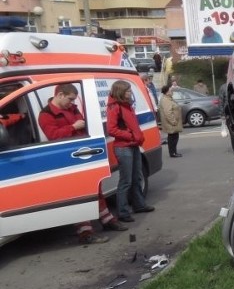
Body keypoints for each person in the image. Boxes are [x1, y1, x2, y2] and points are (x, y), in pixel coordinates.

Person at [38, 83, 126, 244]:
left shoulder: (72, 108)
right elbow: (53, 135)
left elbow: (83, 123)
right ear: (60, 95)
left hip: (84, 155)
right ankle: (85, 232)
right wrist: (72, 127)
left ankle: (107, 220)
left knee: (96, 192)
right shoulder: (46, 114)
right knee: (79, 195)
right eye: (70, 99)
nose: (72, 103)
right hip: (68, 159)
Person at [106, 80, 155, 222]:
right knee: (126, 181)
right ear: (120, 92)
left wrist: (137, 137)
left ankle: (139, 205)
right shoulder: (115, 107)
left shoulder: (126, 106)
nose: (130, 93)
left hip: (132, 145)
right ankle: (122, 212)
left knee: (137, 177)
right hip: (123, 147)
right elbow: (112, 129)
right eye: (127, 91)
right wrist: (132, 136)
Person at [158, 84, 183, 158]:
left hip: (172, 122)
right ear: (167, 92)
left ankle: (174, 152)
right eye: (171, 90)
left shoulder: (168, 98)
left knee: (174, 137)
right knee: (172, 138)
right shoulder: (166, 100)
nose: (172, 92)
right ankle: (173, 153)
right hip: (171, 123)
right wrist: (173, 121)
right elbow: (168, 112)